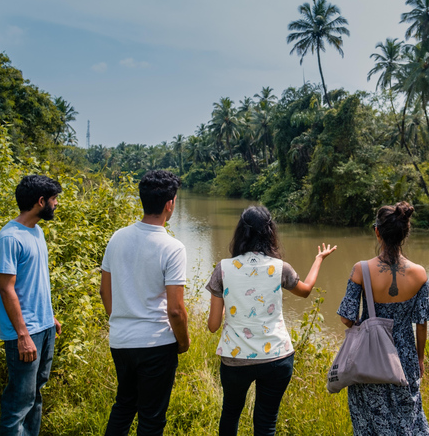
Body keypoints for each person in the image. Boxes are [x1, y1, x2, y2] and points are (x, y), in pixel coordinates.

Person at [205, 205, 336, 436]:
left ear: (240, 232)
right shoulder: (279, 268)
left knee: (230, 414)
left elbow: (213, 325)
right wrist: (318, 259)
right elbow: (305, 291)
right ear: (269, 231)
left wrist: (229, 310)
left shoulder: (223, 269)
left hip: (236, 360)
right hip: (277, 357)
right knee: (266, 424)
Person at [100, 170, 190, 436]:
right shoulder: (172, 247)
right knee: (151, 418)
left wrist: (119, 323)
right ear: (169, 204)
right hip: (156, 345)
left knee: (124, 406)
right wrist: (182, 343)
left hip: (121, 341)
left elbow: (105, 292)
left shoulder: (117, 238)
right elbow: (175, 309)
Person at [337, 201, 429, 436]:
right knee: (406, 421)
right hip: (405, 359)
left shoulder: (361, 270)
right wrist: (419, 359)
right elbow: (421, 323)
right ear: (405, 233)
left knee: (371, 422)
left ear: (377, 231)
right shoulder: (420, 274)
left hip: (370, 358)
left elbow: (347, 319)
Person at [0, 174, 63, 436]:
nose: (56, 204)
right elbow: (6, 288)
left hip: (44, 326)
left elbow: (35, 281)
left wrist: (50, 316)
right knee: (19, 402)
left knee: (35, 394)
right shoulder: (9, 237)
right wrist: (23, 335)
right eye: (54, 199)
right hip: (25, 332)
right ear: (41, 201)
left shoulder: (37, 231)